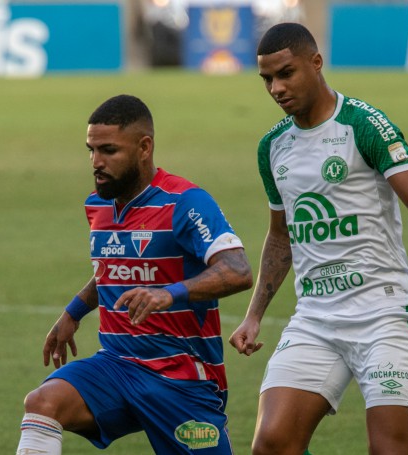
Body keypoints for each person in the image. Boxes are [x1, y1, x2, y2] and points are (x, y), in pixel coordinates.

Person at [228, 23, 408, 455]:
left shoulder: (363, 124)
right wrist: (254, 314)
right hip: (316, 318)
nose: (276, 88)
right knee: (271, 443)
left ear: (316, 63)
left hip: (383, 313)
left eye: (286, 73)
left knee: (389, 448)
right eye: (267, 79)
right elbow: (280, 237)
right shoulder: (272, 147)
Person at [15, 94, 253, 455]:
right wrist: (72, 313)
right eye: (91, 150)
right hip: (116, 365)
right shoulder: (97, 205)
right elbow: (112, 269)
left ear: (144, 147)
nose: (96, 162)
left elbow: (238, 271)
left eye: (109, 150)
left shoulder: (185, 202)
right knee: (42, 403)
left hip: (181, 378)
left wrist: (169, 293)